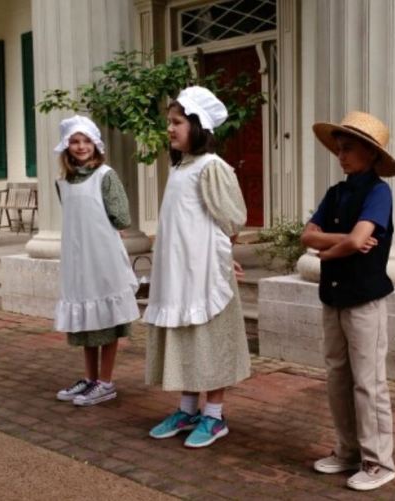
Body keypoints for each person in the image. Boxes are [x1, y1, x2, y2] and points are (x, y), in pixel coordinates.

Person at [143, 86, 250, 448]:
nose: (170, 128)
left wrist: (221, 255)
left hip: (203, 273)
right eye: (169, 122)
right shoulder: (180, 167)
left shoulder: (211, 167)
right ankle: (187, 409)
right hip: (178, 272)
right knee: (187, 337)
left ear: (198, 125)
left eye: (177, 122)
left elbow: (232, 218)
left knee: (209, 339)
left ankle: (214, 416)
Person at [300, 111, 395, 491]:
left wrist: (328, 250)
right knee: (337, 378)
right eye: (339, 149)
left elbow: (359, 241)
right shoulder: (335, 194)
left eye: (348, 149)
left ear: (371, 154)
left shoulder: (378, 193)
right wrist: (342, 242)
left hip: (364, 300)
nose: (341, 156)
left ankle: (378, 461)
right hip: (334, 296)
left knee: (368, 382)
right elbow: (308, 236)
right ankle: (347, 451)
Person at [52, 115, 140, 406]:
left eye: (86, 141)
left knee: (106, 319)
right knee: (85, 321)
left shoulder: (105, 176)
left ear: (96, 144)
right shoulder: (62, 181)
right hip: (78, 259)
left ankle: (105, 381)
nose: (81, 146)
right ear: (66, 146)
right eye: (75, 141)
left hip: (102, 256)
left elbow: (122, 217)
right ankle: (90, 379)